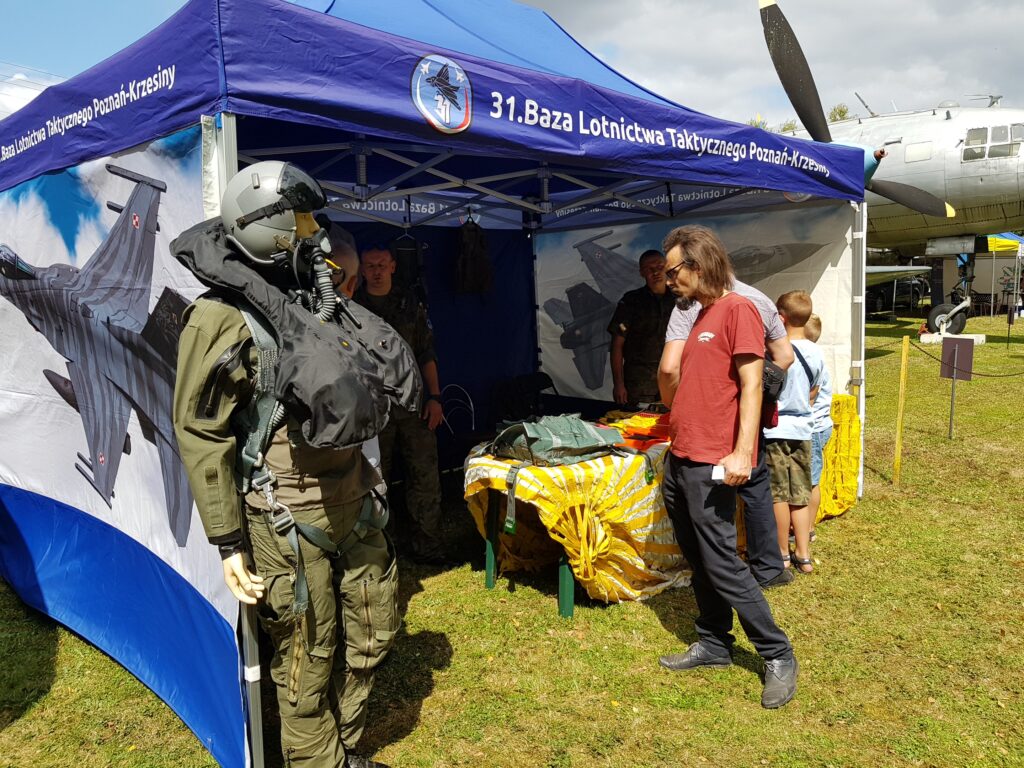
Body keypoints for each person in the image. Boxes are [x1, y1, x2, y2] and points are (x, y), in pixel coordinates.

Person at [172, 161, 415, 768]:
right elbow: (202, 430)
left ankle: (345, 748)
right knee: (309, 655)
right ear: (268, 232)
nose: (315, 233)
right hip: (286, 517)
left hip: (355, 500)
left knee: (371, 633)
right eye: (301, 222)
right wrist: (229, 541)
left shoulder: (316, 299)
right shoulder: (221, 317)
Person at [655, 225, 797, 709]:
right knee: (698, 558)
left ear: (697, 265)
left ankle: (777, 653)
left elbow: (753, 385)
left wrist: (742, 452)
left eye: (673, 271)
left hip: (713, 460)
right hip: (681, 457)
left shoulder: (738, 309)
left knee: (722, 562)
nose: (668, 280)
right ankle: (714, 642)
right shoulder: (698, 313)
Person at [660, 273, 795, 590]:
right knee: (756, 487)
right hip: (748, 416)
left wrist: (689, 401)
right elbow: (785, 356)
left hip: (707, 425)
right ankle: (768, 568)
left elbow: (670, 367)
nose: (671, 280)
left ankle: (719, 573)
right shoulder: (758, 298)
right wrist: (751, 389)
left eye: (674, 272)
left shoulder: (691, 304)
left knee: (709, 508)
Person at [354, 246, 448, 565]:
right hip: (374, 409)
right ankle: (382, 548)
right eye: (370, 265)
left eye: (382, 264)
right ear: (361, 269)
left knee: (424, 476)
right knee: (375, 478)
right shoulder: (352, 307)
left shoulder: (410, 303)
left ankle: (427, 544)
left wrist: (435, 398)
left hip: (413, 406)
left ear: (393, 266)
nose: (377, 271)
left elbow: (426, 353)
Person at [765, 291, 825, 575]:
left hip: (776, 428)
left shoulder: (776, 350)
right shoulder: (817, 352)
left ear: (781, 317)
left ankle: (781, 553)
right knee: (800, 493)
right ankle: (804, 553)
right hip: (803, 429)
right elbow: (814, 392)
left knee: (778, 494)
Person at [608, 249, 676, 406]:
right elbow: (617, 345)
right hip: (639, 386)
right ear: (641, 273)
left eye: (659, 267)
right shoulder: (631, 302)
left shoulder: (680, 299)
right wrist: (618, 384)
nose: (655, 272)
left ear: (667, 267)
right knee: (636, 420)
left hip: (673, 381)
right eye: (649, 269)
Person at [803, 313, 832, 546]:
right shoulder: (815, 356)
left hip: (814, 428)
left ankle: (809, 527)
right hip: (817, 426)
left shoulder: (812, 359)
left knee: (811, 481)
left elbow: (809, 398)